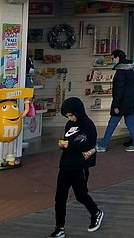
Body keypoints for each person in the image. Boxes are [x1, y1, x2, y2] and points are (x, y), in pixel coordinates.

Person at [50, 97, 103, 237]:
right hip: (66, 164)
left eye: (71, 115)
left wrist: (71, 145)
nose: (70, 118)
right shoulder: (69, 125)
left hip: (79, 166)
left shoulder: (87, 124)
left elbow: (90, 145)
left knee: (80, 195)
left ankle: (95, 212)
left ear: (78, 111)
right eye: (67, 116)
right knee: (60, 197)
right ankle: (59, 227)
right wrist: (63, 146)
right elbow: (68, 142)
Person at [96, 49, 134, 152]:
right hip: (130, 101)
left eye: (113, 58)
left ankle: (102, 145)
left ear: (117, 58)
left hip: (122, 103)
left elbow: (118, 90)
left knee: (112, 123)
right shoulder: (129, 70)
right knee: (130, 123)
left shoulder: (120, 72)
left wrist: (116, 105)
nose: (113, 60)